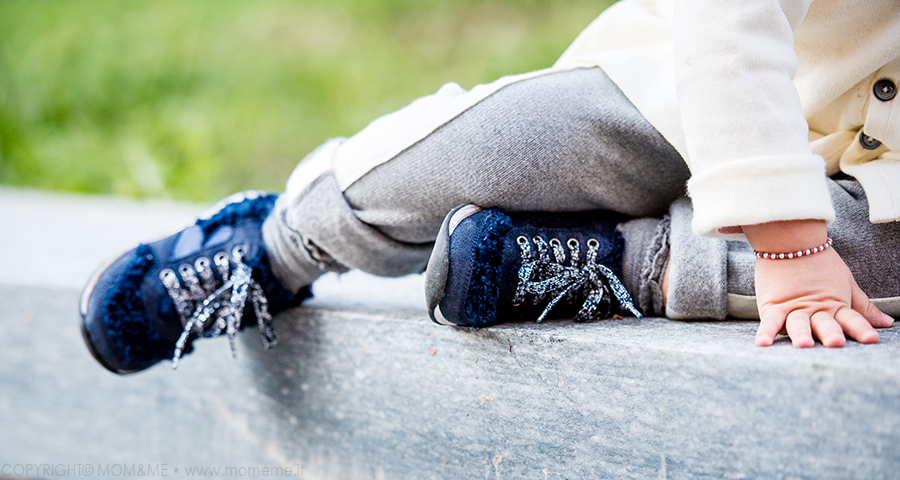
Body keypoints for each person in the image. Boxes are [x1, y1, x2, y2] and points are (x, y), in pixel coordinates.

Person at [79, 0, 900, 374]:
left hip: (878, 190)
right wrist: (789, 239)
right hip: (691, 99)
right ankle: (285, 241)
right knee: (510, 136)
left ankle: (598, 264)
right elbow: (731, 26)